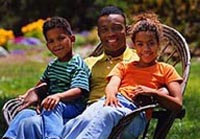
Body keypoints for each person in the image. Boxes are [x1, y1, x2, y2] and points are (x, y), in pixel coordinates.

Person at [60, 11, 183, 139]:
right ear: (134, 46)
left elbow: (177, 104)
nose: (146, 49)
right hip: (112, 102)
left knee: (106, 114)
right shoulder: (124, 66)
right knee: (85, 117)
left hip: (135, 113)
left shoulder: (166, 69)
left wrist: (154, 93)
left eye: (151, 43)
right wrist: (111, 95)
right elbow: (112, 84)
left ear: (159, 44)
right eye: (140, 44)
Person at [2, 16, 91, 139]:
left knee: (52, 105)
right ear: (48, 46)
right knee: (25, 113)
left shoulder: (77, 64)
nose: (57, 44)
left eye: (61, 38)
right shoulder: (53, 65)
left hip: (72, 106)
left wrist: (58, 96)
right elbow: (43, 82)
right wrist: (29, 92)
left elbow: (79, 89)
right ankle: (9, 137)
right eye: (51, 41)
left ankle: (53, 136)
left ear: (72, 38)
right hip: (51, 103)